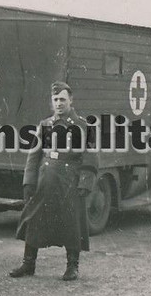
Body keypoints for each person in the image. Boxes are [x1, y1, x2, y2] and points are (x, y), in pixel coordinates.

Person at [9, 81, 96, 281]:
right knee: (34, 218)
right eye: (55, 100)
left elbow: (90, 156)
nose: (59, 103)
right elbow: (34, 155)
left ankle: (72, 266)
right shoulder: (45, 125)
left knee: (71, 223)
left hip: (69, 181)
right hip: (46, 179)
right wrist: (29, 182)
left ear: (71, 101)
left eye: (63, 99)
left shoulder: (83, 126)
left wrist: (85, 182)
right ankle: (28, 263)